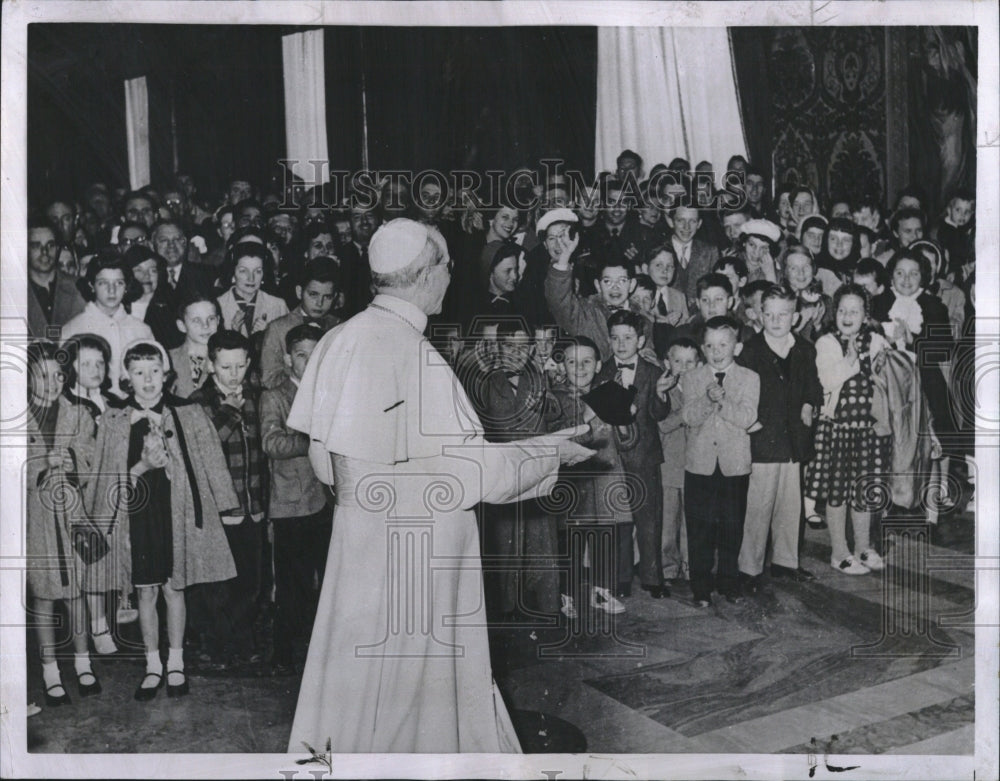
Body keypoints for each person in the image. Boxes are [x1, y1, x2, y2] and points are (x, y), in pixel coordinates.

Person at [285, 218, 593, 753]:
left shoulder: (339, 338)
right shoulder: (416, 356)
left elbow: (322, 457)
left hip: (358, 546)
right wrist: (551, 453)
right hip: (418, 560)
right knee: (416, 698)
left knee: (358, 688)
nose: (452, 278)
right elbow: (472, 475)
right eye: (448, 266)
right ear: (426, 275)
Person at [85, 340, 238, 700]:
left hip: (176, 512)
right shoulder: (114, 420)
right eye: (139, 373)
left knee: (174, 588)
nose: (148, 379)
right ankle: (152, 664)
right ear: (127, 377)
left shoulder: (187, 413)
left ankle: (176, 663)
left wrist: (221, 505)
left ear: (166, 373)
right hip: (137, 516)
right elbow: (106, 480)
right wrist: (142, 466)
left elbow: (209, 461)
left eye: (155, 371)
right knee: (146, 590)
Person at [736, 286, 823, 594]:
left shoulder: (804, 348)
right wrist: (750, 422)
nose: (775, 320)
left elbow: (813, 385)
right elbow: (741, 390)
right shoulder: (751, 350)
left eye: (783, 314)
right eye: (769, 314)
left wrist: (809, 404)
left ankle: (786, 562)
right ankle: (750, 567)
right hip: (763, 440)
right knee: (758, 506)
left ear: (795, 317)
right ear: (760, 316)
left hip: (793, 440)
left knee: (790, 505)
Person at [25, 341, 98, 706]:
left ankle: (83, 662)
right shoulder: (15, 416)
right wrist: (40, 466)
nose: (53, 383)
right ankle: (50, 669)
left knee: (75, 590)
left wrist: (69, 459)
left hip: (71, 513)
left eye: (59, 375)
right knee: (42, 594)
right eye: (43, 375)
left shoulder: (78, 413)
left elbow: (89, 456)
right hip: (36, 518)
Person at [190, 330, 268, 667]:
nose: (233, 374)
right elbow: (202, 451)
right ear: (211, 365)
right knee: (217, 584)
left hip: (252, 506)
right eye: (225, 367)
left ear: (248, 363)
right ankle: (216, 643)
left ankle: (242, 639)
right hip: (220, 510)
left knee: (250, 581)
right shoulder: (199, 402)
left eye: (240, 366)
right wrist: (230, 413)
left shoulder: (256, 396)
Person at [804, 285, 892, 573]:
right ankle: (839, 551)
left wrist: (892, 353)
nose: (847, 316)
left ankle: (863, 547)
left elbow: (890, 378)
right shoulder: (827, 342)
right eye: (842, 310)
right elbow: (827, 381)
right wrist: (852, 359)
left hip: (867, 430)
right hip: (837, 429)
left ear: (866, 316)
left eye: (854, 311)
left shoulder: (877, 340)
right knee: (837, 492)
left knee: (864, 491)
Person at [260, 324, 332, 675]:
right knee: (290, 584)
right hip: (289, 503)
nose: (309, 361)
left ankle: (321, 651)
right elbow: (271, 444)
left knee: (326, 578)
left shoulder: (329, 392)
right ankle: (283, 652)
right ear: (288, 358)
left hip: (325, 500)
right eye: (302, 354)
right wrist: (314, 441)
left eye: (315, 353)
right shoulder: (275, 395)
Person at [546, 336, 634, 617]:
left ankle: (601, 590)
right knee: (571, 540)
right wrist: (587, 414)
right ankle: (566, 593)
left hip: (606, 475)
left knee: (604, 537)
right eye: (573, 362)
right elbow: (558, 437)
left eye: (587, 362)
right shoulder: (556, 399)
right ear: (563, 366)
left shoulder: (608, 392)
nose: (580, 368)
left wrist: (624, 420)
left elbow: (630, 440)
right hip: (575, 481)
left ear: (598, 366)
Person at [681, 316, 759, 606]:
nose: (716, 351)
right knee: (699, 528)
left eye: (723, 344)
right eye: (710, 345)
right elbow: (687, 417)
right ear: (703, 348)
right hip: (699, 466)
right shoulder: (692, 378)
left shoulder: (750, 378)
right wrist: (706, 400)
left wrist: (722, 401)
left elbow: (747, 417)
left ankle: (729, 583)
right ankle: (700, 588)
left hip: (734, 465)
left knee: (731, 526)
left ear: (736, 347)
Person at [596, 310, 672, 598]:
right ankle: (621, 577)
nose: (621, 344)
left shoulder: (653, 373)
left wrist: (662, 394)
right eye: (615, 338)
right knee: (619, 520)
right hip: (612, 458)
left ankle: (653, 578)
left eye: (628, 338)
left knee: (649, 518)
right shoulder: (602, 371)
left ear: (640, 340)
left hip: (645, 455)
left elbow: (658, 413)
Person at [52, 334, 119, 656]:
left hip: (111, 488)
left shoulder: (114, 400)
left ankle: (119, 609)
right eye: (85, 363)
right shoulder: (66, 406)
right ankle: (97, 623)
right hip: (79, 494)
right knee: (90, 555)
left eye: (100, 363)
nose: (94, 369)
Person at [61, 249, 153, 397]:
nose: (112, 290)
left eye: (119, 283)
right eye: (103, 283)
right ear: (92, 285)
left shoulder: (141, 330)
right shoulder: (73, 329)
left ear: (126, 287)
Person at [259, 257, 340, 389]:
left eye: (327, 297)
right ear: (299, 292)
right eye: (313, 294)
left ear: (335, 296)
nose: (319, 303)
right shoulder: (277, 329)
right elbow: (268, 380)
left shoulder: (339, 327)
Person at [657, 337, 700, 585]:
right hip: (669, 467)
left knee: (691, 522)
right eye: (677, 361)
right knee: (667, 524)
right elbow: (662, 424)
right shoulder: (663, 391)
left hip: (695, 467)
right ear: (667, 363)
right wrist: (687, 413)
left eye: (690, 362)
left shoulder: (703, 389)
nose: (683, 367)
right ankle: (668, 568)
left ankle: (690, 566)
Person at [217, 241, 290, 342]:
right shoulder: (218, 305)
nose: (251, 278)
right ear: (232, 273)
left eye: (258, 271)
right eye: (243, 271)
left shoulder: (278, 305)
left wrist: (268, 335)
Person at [27, 220, 86, 338]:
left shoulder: (80, 288)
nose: (45, 252)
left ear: (58, 248)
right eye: (36, 246)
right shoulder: (12, 294)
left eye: (50, 245)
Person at [667, 204, 720, 310]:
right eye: (681, 220)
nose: (687, 227)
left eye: (692, 221)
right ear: (671, 222)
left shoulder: (710, 252)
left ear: (699, 224)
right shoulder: (658, 251)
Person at [169, 293, 221, 398]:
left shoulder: (227, 358)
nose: (205, 326)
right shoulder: (168, 359)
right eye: (196, 320)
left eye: (211, 318)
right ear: (182, 326)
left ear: (218, 320)